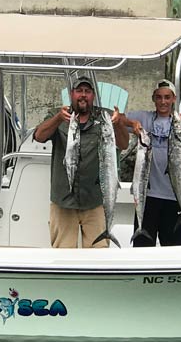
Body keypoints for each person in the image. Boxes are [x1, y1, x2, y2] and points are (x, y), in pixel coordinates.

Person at [33, 76, 129, 248]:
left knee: (98, 254)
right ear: (72, 94)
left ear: (93, 95)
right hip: (63, 200)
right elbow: (39, 136)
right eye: (79, 91)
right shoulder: (58, 114)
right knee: (62, 253)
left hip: (95, 201)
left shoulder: (104, 116)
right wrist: (58, 119)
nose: (83, 95)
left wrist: (119, 123)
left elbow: (123, 144)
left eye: (87, 91)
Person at [123, 80, 181, 247]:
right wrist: (132, 124)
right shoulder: (143, 118)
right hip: (146, 197)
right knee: (142, 250)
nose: (163, 102)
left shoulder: (179, 124)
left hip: (173, 197)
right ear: (153, 98)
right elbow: (117, 119)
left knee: (176, 250)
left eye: (167, 97)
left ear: (174, 99)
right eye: (159, 97)